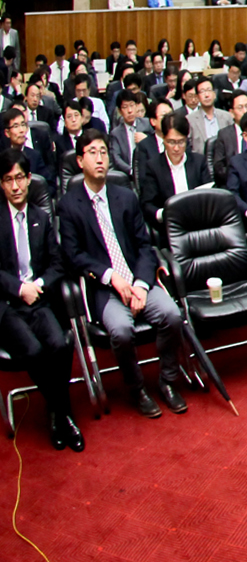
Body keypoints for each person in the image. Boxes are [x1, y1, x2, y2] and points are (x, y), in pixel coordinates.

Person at [58, 126, 187, 418]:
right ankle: (137, 388)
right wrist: (109, 276)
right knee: (121, 330)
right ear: (80, 161)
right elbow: (73, 256)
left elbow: (144, 245)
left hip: (136, 278)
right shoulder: (69, 205)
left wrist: (141, 284)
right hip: (105, 288)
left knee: (172, 315)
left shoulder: (125, 196)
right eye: (92, 152)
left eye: (104, 151)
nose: (100, 158)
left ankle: (167, 382)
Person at [0, 151, 81, 449]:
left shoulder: (40, 217)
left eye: (19, 178)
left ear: (29, 179)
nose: (15, 186)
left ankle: (56, 412)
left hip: (39, 299)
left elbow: (57, 264)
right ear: (2, 184)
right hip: (8, 305)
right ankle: (63, 413)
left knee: (60, 344)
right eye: (8, 180)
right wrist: (20, 289)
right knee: (34, 351)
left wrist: (39, 284)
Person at [137, 113, 212, 226]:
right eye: (171, 142)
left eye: (180, 142)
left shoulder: (198, 162)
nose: (176, 148)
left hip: (199, 222)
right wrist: (164, 214)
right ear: (163, 138)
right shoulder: (153, 166)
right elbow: (147, 204)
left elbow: (210, 195)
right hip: (170, 226)